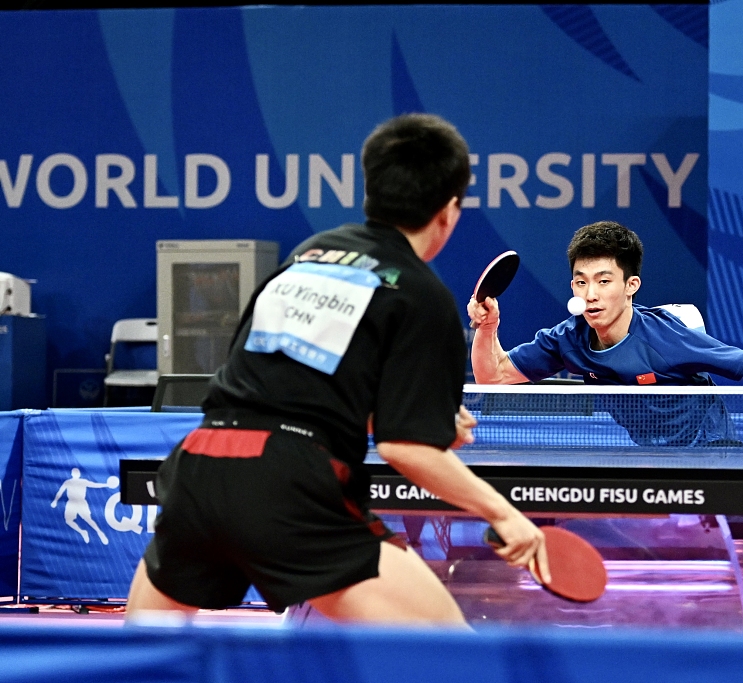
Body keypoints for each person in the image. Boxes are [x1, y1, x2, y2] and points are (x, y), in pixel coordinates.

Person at [126, 114, 548, 627]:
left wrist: (413, 414)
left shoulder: (310, 255)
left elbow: (278, 388)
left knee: (146, 662)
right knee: (448, 650)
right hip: (286, 480)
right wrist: (503, 513)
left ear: (370, 187)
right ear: (449, 210)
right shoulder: (422, 294)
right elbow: (405, 449)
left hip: (200, 467)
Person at [468, 221, 743, 444]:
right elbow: (493, 377)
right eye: (581, 281)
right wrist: (489, 328)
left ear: (631, 286)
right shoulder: (568, 338)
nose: (590, 294)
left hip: (710, 451)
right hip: (649, 454)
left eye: (603, 280)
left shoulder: (667, 338)